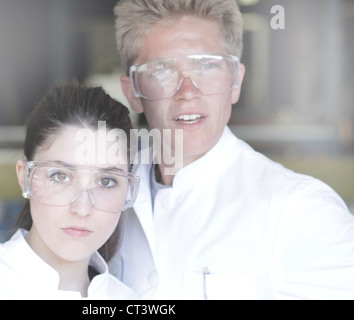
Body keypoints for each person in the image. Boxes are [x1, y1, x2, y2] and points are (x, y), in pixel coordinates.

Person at [109, 0, 354, 299]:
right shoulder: (99, 200)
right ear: (133, 92)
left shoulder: (301, 211)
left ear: (236, 81)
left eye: (207, 65)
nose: (188, 92)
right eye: (161, 70)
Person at [0, 83, 139, 300]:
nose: (82, 208)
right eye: (60, 176)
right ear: (25, 177)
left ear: (128, 190)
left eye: (107, 181)